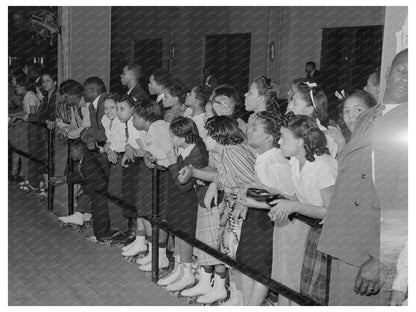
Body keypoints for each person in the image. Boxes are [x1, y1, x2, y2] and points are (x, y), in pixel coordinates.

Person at [317, 49, 407, 306]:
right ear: (388, 73)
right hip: (346, 237)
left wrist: (381, 257)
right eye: (402, 70)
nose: (407, 78)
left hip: (372, 244)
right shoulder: (369, 115)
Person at [268, 115, 337, 305]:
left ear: (299, 141)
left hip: (329, 236)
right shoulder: (295, 162)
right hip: (312, 230)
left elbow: (330, 212)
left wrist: (294, 206)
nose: (279, 141)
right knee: (301, 287)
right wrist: (283, 206)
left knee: (315, 292)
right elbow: (302, 199)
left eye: (283, 137)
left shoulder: (322, 165)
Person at [188, 116, 257, 305]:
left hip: (242, 210)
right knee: (228, 255)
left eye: (208, 134)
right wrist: (216, 183)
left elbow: (254, 181)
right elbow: (227, 176)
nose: (204, 138)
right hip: (232, 207)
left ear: (218, 136)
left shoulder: (233, 152)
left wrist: (240, 200)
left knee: (235, 256)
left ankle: (239, 299)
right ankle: (234, 296)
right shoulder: (226, 152)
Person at [236, 111, 295, 305]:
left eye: (254, 128)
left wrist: (256, 203)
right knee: (247, 262)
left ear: (269, 137)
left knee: (261, 267)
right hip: (256, 216)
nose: (248, 130)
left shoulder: (275, 161)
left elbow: (289, 197)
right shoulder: (263, 156)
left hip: (268, 221)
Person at [157, 117, 209, 292]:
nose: (171, 140)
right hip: (180, 201)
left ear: (182, 136)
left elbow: (183, 186)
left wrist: (172, 162)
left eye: (173, 136)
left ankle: (186, 273)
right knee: (178, 232)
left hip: (189, 201)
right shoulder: (187, 148)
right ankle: (179, 269)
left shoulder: (196, 153)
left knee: (185, 233)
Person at [130, 99, 174, 272]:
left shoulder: (161, 129)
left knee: (158, 213)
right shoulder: (151, 129)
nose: (132, 121)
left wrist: (155, 159)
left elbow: (168, 155)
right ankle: (153, 251)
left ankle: (160, 256)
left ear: (143, 117)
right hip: (152, 175)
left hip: (162, 177)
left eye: (134, 117)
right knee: (146, 211)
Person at [51, 140, 112, 241]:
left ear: (79, 151)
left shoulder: (88, 162)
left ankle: (102, 237)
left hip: (101, 190)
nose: (70, 154)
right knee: (98, 214)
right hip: (98, 189)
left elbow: (92, 181)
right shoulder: (86, 158)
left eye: (72, 152)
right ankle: (99, 235)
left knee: (100, 214)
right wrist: (63, 178)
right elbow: (82, 175)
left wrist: (83, 190)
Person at [100, 93, 130, 240]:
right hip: (113, 157)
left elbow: (125, 142)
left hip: (123, 157)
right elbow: (108, 141)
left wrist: (110, 148)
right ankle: (117, 227)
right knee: (113, 192)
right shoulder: (105, 120)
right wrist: (107, 147)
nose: (108, 111)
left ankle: (122, 228)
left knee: (116, 192)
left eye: (112, 107)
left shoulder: (122, 121)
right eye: (106, 108)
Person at [286, 82, 343, 157]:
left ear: (309, 110)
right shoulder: (292, 127)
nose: (289, 106)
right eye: (291, 100)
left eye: (295, 103)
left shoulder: (324, 138)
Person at [80, 77, 107, 150]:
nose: (82, 93)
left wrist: (88, 130)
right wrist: (91, 140)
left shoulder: (107, 103)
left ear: (91, 90)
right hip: (102, 147)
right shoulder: (92, 106)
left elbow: (106, 134)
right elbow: (95, 129)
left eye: (84, 90)